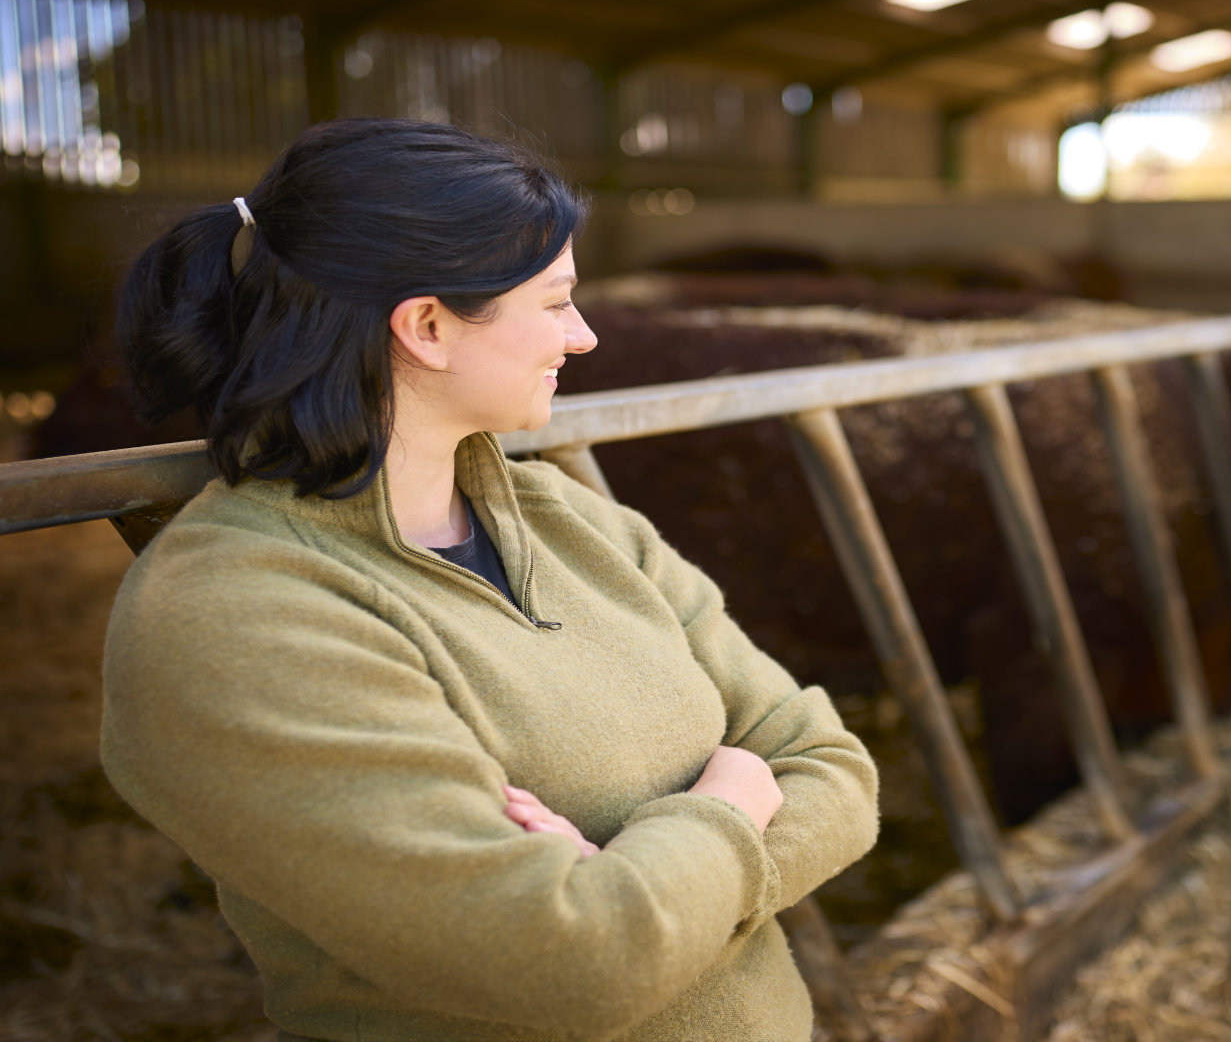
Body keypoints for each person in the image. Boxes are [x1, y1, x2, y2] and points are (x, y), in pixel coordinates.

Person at [98, 118, 879, 1042]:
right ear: (427, 326)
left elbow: (835, 768)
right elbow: (574, 964)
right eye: (554, 303)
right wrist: (732, 800)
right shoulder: (238, 615)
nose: (583, 337)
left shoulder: (575, 522)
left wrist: (640, 885)